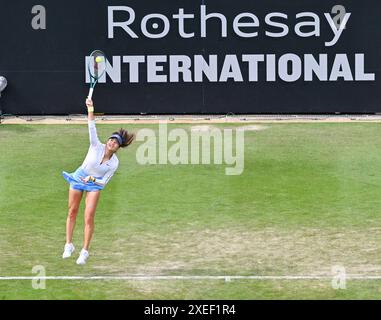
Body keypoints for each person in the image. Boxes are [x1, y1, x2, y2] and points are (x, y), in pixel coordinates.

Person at [62, 98, 134, 265]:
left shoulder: (114, 163)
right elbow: (91, 125)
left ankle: (85, 251)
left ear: (118, 148)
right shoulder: (95, 144)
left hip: (94, 184)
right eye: (111, 139)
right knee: (72, 211)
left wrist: (92, 179)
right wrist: (91, 108)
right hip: (79, 177)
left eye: (116, 142)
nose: (112, 142)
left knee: (89, 216)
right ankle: (69, 245)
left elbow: (102, 183)